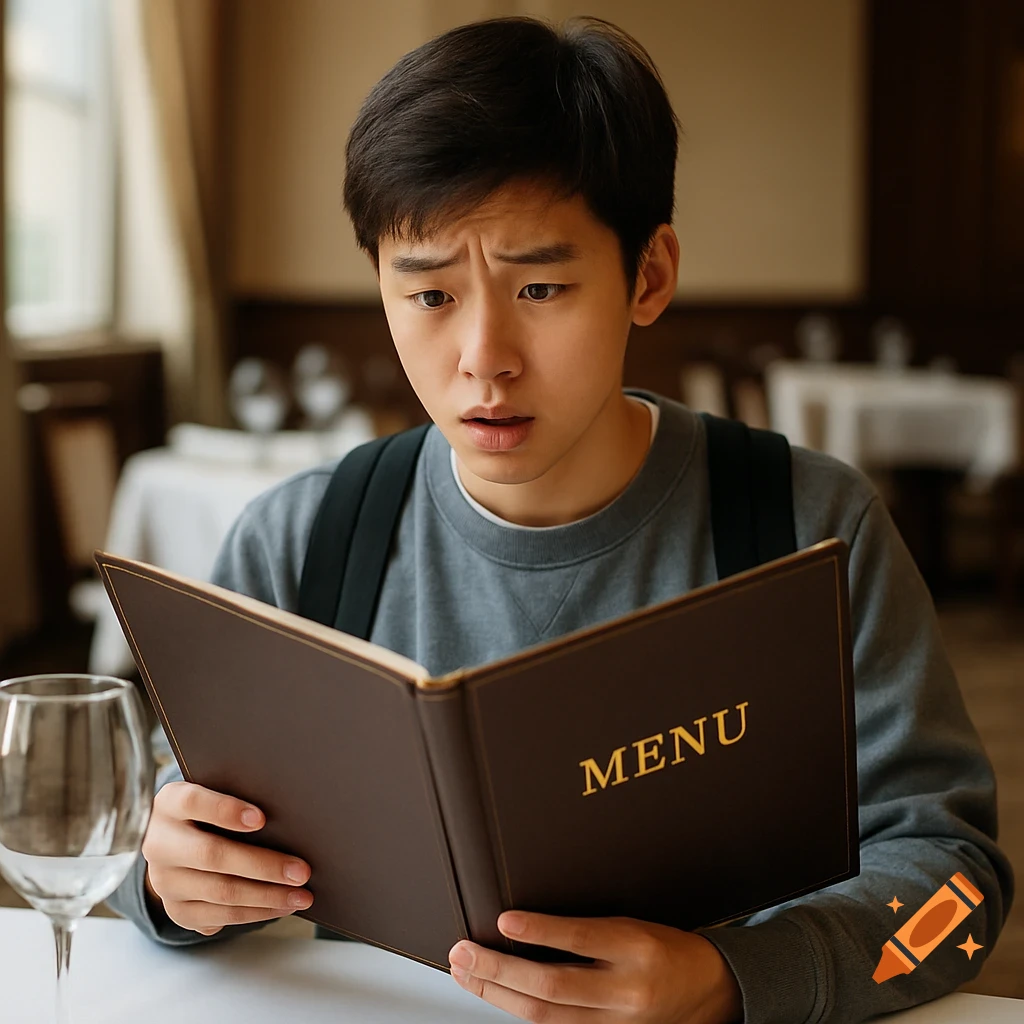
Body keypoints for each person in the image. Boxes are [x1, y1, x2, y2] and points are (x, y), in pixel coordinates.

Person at [106, 16, 1013, 1024]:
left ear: (649, 276)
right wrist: (164, 882)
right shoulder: (298, 545)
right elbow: (139, 850)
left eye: (540, 286)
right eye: (431, 293)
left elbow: (961, 892)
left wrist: (733, 979)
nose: (483, 356)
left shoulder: (810, 525)